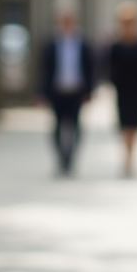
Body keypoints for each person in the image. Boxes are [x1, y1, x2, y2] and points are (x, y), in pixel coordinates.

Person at [38, 11, 94, 176]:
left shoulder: (83, 43)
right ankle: (60, 159)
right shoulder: (51, 43)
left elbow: (90, 69)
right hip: (57, 91)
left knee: (76, 127)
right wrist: (41, 92)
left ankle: (70, 159)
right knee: (56, 126)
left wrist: (89, 91)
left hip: (76, 91)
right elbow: (44, 70)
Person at [107, 1, 137, 177]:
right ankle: (126, 156)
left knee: (134, 125)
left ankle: (131, 157)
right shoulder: (115, 46)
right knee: (123, 125)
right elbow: (110, 70)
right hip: (121, 90)